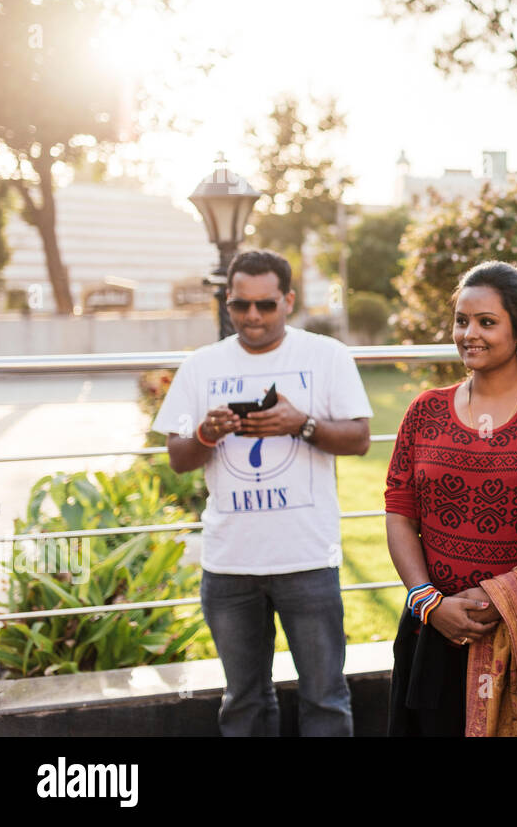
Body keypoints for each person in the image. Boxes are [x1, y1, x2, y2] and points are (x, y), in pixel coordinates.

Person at [153, 249, 372, 736]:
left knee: (326, 698)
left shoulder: (326, 355)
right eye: (239, 305)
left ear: (288, 301)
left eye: (265, 305)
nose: (252, 316)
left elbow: (358, 438)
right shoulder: (201, 366)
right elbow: (178, 456)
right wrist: (208, 435)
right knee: (243, 702)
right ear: (228, 303)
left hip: (307, 559)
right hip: (230, 564)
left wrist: (303, 424)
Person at [384, 261, 517, 736]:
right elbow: (399, 511)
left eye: (486, 322)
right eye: (461, 320)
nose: (469, 333)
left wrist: (505, 596)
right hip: (433, 630)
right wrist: (427, 601)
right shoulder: (426, 410)